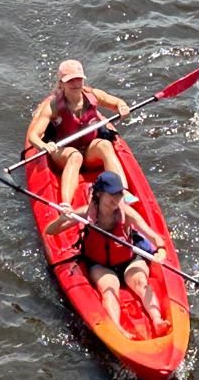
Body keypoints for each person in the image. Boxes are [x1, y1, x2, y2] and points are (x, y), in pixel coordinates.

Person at [46, 169, 167, 333]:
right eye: (111, 194)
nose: (116, 199)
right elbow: (50, 231)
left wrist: (161, 251)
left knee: (140, 282)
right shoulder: (85, 213)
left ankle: (157, 319)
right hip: (100, 265)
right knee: (109, 288)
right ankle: (118, 330)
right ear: (99, 194)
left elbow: (155, 238)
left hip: (129, 260)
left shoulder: (127, 213)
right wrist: (62, 218)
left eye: (119, 194)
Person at [25, 59, 130, 207]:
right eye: (70, 81)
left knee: (106, 145)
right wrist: (43, 146)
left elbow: (117, 103)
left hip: (89, 151)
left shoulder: (93, 95)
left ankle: (123, 192)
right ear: (61, 83)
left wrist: (123, 107)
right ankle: (66, 204)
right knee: (75, 156)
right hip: (64, 153)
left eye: (78, 79)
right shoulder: (54, 106)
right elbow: (33, 136)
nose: (75, 84)